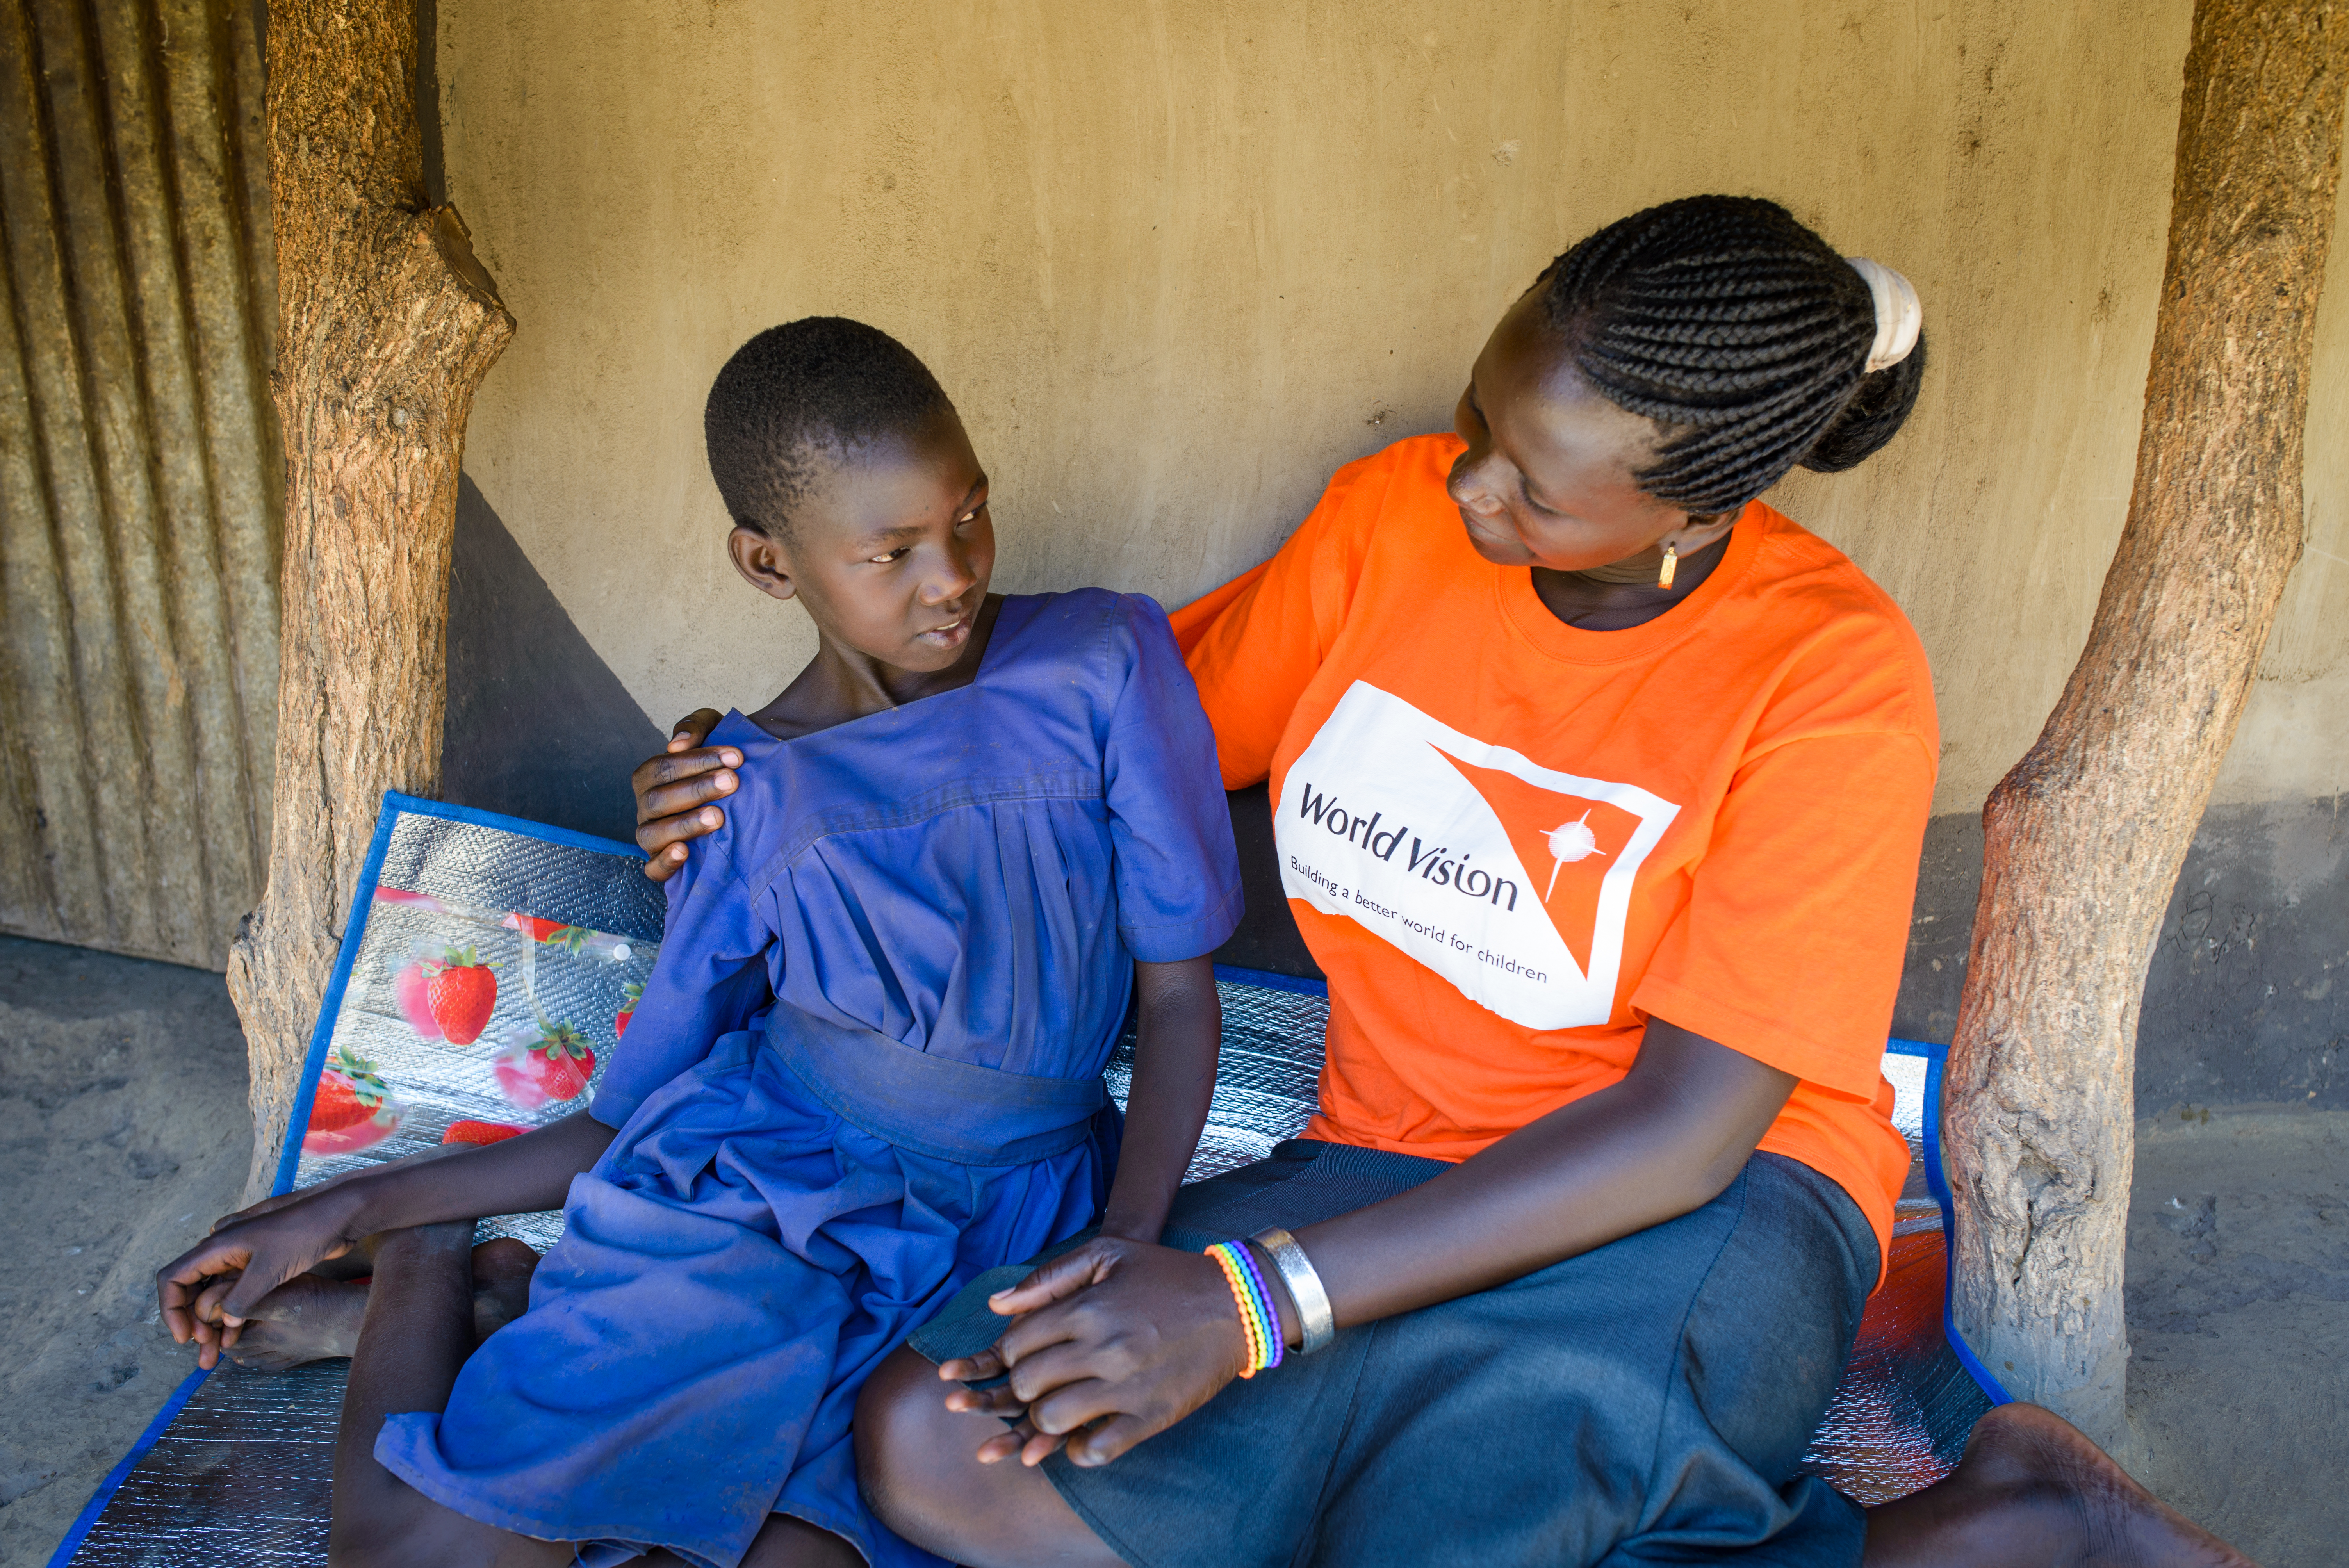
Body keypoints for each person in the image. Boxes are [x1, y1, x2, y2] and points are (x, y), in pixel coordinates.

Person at [635, 198, 2251, 1567]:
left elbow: (1685, 1128)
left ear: (1698, 505)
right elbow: (1088, 738)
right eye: (1480, 426)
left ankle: (2002, 1520)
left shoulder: (1830, 674)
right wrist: (767, 756)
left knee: (1452, 1506)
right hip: (1383, 1167)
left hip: (1696, 1209)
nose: (1468, 487)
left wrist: (1248, 1306)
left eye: (1532, 486)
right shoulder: (1391, 526)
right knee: (941, 1431)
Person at [155, 318, 1244, 1568]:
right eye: (890, 552)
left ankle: (520, 1308)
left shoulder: (1104, 660)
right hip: (762, 1202)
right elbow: (627, 1117)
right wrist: (346, 1205)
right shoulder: (734, 793)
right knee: (410, 1563)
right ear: (769, 564)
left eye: (970, 517)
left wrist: (1130, 1238)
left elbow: (1176, 1003)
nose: (951, 575)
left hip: (1012, 1223)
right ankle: (429, 1269)